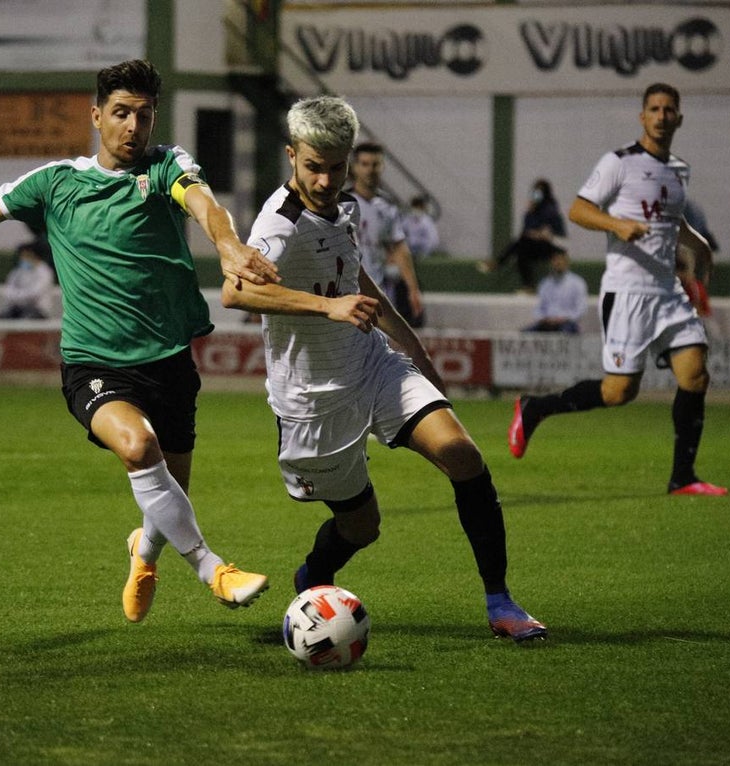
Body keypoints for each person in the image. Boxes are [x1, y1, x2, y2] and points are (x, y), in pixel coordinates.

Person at [0, 59, 275, 624]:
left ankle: (145, 553)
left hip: (170, 360)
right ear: (97, 117)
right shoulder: (55, 182)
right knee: (137, 448)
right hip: (94, 365)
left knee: (167, 499)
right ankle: (213, 568)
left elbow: (205, 205)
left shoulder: (165, 167)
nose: (134, 127)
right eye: (121, 113)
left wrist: (228, 245)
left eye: (145, 114)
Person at [222, 95, 547, 643]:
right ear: (290, 156)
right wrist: (328, 306)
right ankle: (314, 576)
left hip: (373, 365)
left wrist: (412, 346)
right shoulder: (280, 224)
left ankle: (501, 602)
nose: (325, 180)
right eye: (312, 167)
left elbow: (354, 277)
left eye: (335, 166)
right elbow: (235, 293)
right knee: (361, 527)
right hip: (313, 399)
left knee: (462, 456)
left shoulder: (344, 206)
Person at [508, 83, 727, 497]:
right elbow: (578, 210)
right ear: (642, 116)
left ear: (679, 118)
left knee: (695, 373)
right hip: (628, 292)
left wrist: (696, 243)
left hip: (668, 291)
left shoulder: (679, 169)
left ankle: (683, 477)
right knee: (618, 392)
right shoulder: (619, 163)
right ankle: (535, 407)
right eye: (654, 109)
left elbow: (671, 220)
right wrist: (617, 224)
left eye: (669, 109)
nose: (662, 116)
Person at [349, 142, 425, 328]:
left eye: (375, 164)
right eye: (365, 164)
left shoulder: (388, 207)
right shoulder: (342, 203)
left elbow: (399, 247)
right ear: (354, 167)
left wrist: (413, 289)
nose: (370, 170)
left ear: (382, 167)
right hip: (346, 292)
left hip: (377, 292)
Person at [479, 179, 567, 293]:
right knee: (521, 251)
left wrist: (537, 234)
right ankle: (528, 286)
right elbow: (527, 230)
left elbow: (548, 234)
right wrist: (530, 213)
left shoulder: (551, 209)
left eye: (539, 192)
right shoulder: (531, 211)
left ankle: (498, 263)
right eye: (535, 192)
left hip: (552, 246)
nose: (536, 195)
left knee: (521, 242)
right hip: (533, 244)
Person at [524, 250, 588, 333]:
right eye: (555, 260)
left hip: (567, 324)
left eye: (561, 260)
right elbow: (538, 309)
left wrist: (563, 318)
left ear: (566, 262)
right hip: (547, 323)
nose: (558, 263)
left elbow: (581, 309)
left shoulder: (577, 283)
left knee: (564, 333)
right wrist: (545, 318)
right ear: (551, 262)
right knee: (525, 334)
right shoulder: (545, 283)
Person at [0, 242, 55, 319]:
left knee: (25, 320)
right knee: (0, 319)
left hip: (38, 310)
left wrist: (17, 295)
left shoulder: (45, 272)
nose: (23, 258)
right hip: (18, 308)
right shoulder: (18, 271)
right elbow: (7, 290)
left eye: (26, 256)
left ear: (34, 255)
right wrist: (19, 296)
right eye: (22, 256)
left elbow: (34, 294)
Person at [401, 194, 441, 262]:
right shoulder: (407, 220)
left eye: (418, 207)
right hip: (409, 253)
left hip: (424, 254)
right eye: (415, 207)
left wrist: (423, 253)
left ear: (423, 208)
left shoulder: (427, 222)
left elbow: (433, 240)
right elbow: (400, 233)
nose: (416, 209)